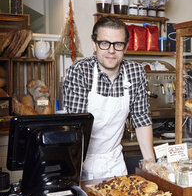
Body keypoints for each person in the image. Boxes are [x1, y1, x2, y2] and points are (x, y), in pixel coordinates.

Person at [63, 16, 155, 180]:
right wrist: (71, 175)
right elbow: (75, 126)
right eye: (104, 43)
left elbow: (141, 119)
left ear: (125, 47)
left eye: (118, 44)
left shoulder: (135, 73)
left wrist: (151, 165)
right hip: (80, 163)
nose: (111, 50)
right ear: (94, 44)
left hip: (115, 164)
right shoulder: (79, 71)